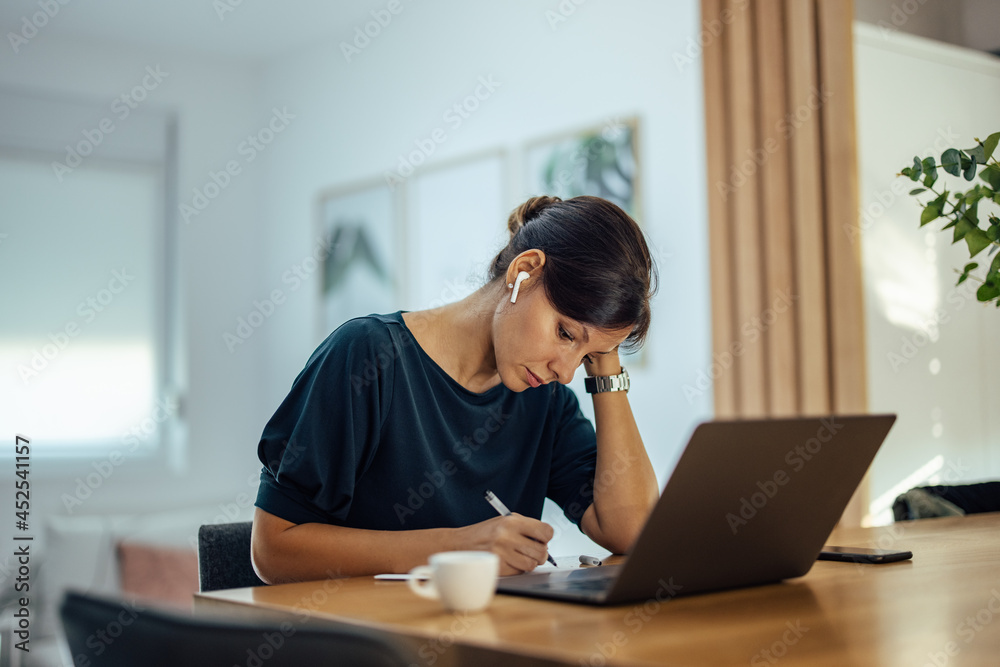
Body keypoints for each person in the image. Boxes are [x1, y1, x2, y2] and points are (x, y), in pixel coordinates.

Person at [251, 195, 660, 585]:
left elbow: (633, 532)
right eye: (566, 333)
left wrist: (605, 359)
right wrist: (456, 547)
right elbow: (273, 549)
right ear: (523, 272)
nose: (566, 371)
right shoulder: (369, 357)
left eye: (587, 355)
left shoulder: (546, 400)